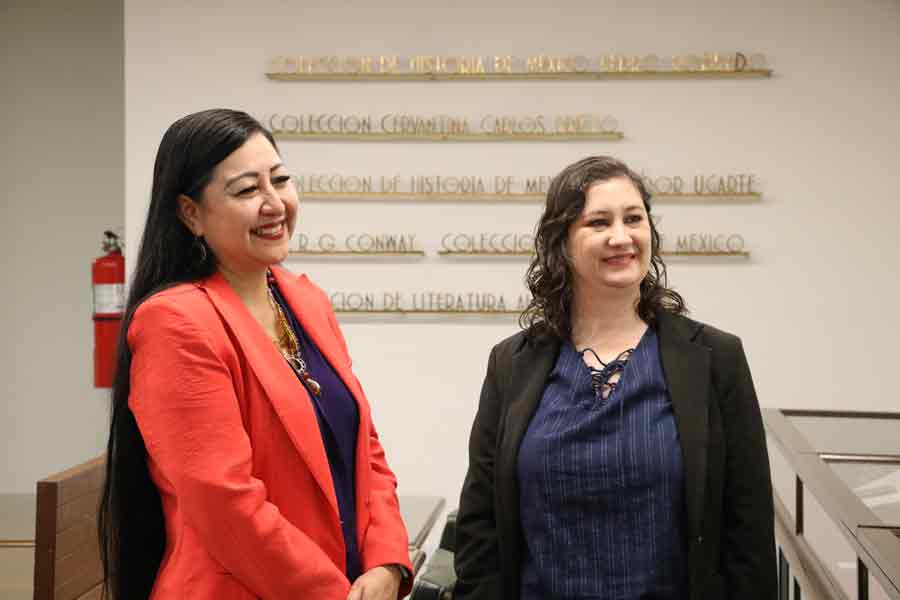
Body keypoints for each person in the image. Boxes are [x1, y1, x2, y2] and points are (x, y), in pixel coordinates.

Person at [98, 109, 412, 600]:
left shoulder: (306, 300)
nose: (274, 203)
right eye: (247, 190)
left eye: (281, 180)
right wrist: (333, 592)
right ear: (190, 213)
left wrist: (388, 561)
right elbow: (225, 504)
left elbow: (365, 451)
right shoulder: (175, 322)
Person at [455, 156, 777, 600]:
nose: (621, 237)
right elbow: (480, 524)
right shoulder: (512, 363)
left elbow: (748, 531)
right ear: (562, 243)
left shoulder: (715, 359)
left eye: (634, 219)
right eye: (598, 222)